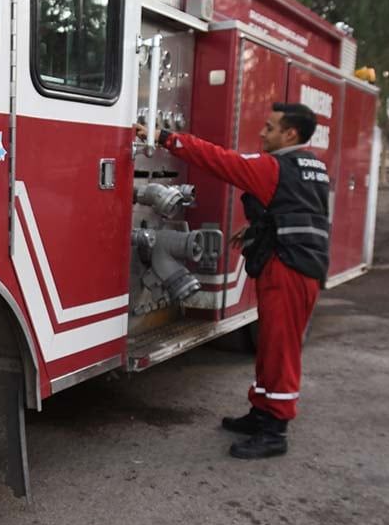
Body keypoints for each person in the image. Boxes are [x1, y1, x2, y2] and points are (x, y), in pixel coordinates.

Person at [134, 103, 331, 459]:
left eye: (270, 128)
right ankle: (261, 413)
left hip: (289, 267)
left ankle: (275, 431)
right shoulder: (312, 165)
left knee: (281, 351)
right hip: (296, 262)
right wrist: (258, 228)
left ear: (290, 134)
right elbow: (298, 208)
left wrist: (167, 139)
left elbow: (221, 161)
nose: (262, 132)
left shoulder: (275, 167)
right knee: (271, 345)